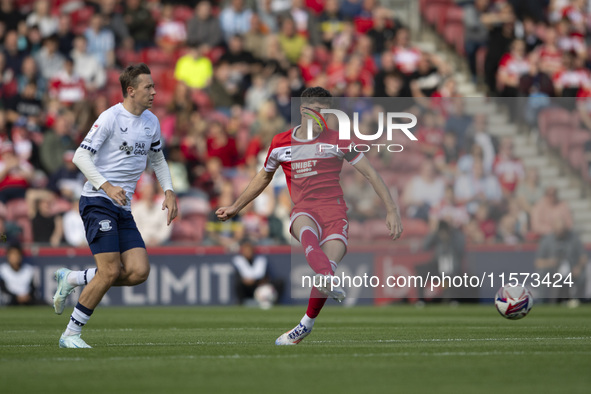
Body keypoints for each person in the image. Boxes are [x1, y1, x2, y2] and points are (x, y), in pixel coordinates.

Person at [216, 87, 403, 345]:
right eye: (318, 110)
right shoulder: (281, 142)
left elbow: (371, 173)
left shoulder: (338, 140)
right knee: (307, 233)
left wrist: (392, 209)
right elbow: (263, 177)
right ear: (304, 110)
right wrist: (236, 206)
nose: (323, 116)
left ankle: (305, 325)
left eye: (327, 111)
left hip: (336, 212)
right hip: (305, 209)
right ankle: (327, 278)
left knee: (327, 267)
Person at [51, 63, 178, 349]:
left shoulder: (151, 122)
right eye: (148, 87)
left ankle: (72, 278)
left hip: (122, 206)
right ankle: (70, 334)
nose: (154, 92)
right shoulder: (110, 117)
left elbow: (157, 159)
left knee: (138, 271)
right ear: (131, 91)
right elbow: (80, 158)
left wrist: (169, 191)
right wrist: (107, 186)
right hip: (97, 201)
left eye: (154, 86)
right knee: (109, 271)